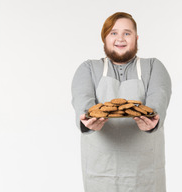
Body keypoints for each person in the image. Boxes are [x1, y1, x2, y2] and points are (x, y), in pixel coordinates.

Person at [71, 12, 171, 192]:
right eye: (113, 33)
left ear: (136, 38)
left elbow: (159, 98)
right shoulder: (88, 68)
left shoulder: (154, 67)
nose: (120, 38)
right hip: (101, 171)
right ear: (104, 38)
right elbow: (82, 101)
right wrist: (87, 122)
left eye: (127, 33)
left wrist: (152, 122)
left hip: (145, 172)